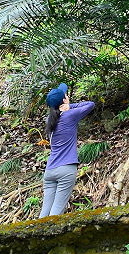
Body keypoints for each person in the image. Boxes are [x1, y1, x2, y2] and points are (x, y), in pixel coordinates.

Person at [38, 82, 95, 218]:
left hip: (50, 171)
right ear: (64, 100)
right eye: (66, 95)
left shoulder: (49, 120)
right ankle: (51, 239)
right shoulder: (69, 116)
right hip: (66, 170)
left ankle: (37, 238)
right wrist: (70, 107)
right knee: (56, 215)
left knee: (44, 214)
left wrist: (65, 107)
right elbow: (91, 104)